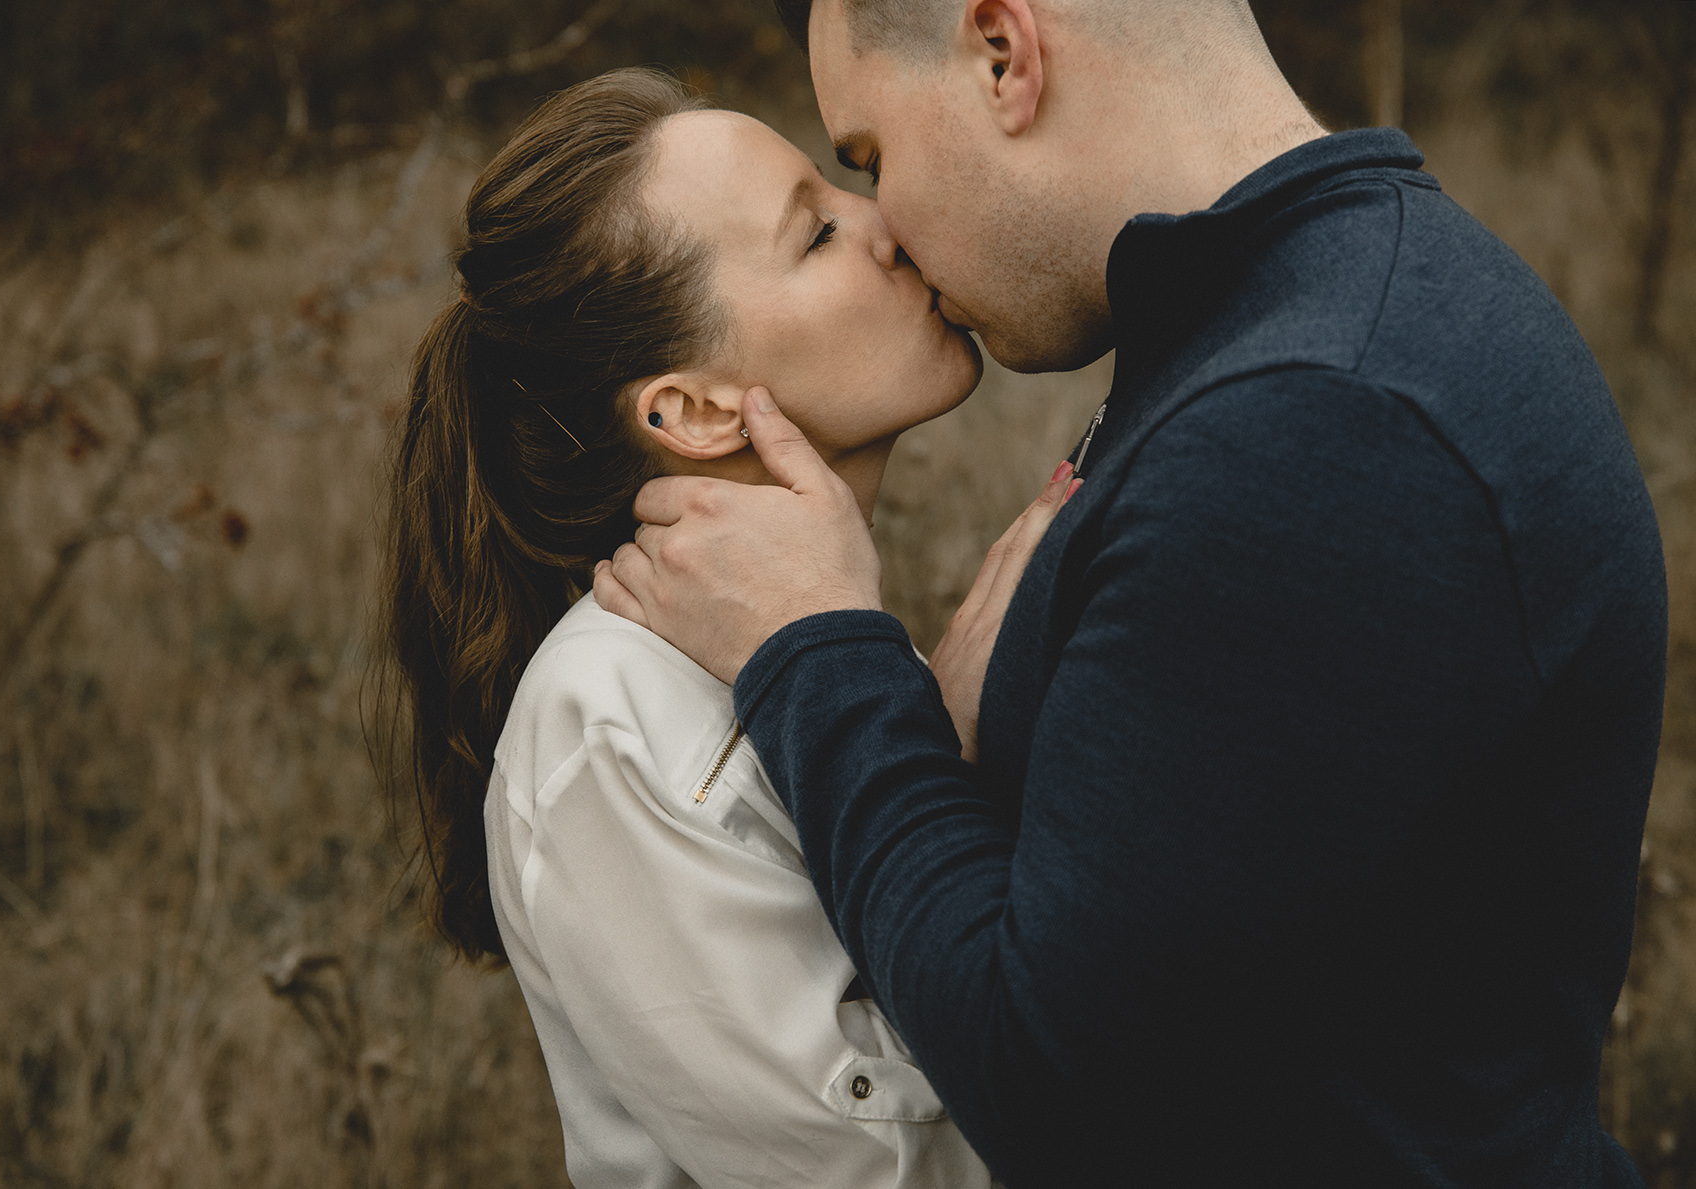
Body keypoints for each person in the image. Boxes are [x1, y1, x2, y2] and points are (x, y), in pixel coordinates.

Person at [593, 1, 1669, 1186]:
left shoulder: (1318, 419)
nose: (881, 221)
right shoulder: (1295, 312)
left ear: (1002, 56)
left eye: (870, 156)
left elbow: (1064, 1108)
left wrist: (821, 652)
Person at [377, 67, 1037, 1187]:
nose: (886, 224)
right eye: (815, 232)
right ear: (692, 409)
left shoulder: (813, 626)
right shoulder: (606, 713)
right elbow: (875, 1169)